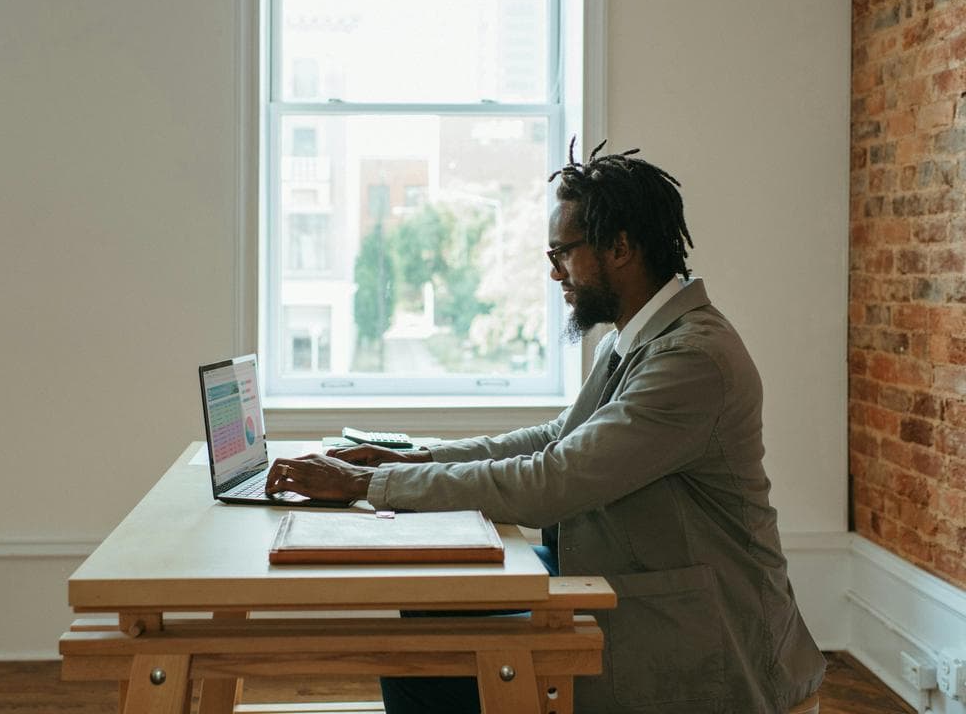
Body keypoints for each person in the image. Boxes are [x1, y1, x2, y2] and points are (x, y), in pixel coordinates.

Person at [266, 140, 825, 713]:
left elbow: (551, 481)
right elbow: (553, 440)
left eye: (563, 252)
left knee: (423, 660)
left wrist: (365, 486)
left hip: (703, 636)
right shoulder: (634, 340)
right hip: (624, 581)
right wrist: (411, 461)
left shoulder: (691, 361)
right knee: (424, 625)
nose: (555, 271)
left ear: (621, 248)